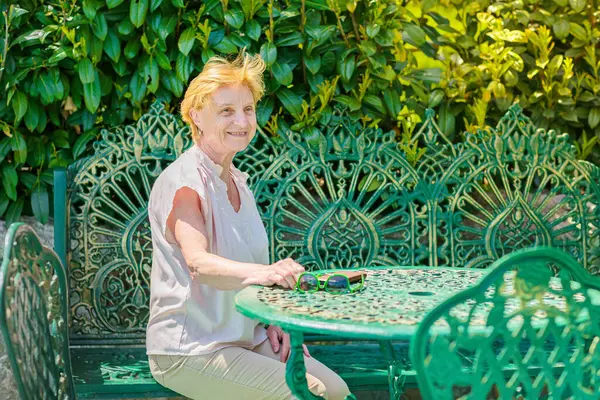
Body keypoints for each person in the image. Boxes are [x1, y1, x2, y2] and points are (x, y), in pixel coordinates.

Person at [146, 51, 351, 400]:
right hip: (190, 349)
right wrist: (267, 272)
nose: (241, 120)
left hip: (244, 336)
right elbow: (200, 264)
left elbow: (241, 272)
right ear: (196, 115)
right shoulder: (185, 182)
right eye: (226, 111)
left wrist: (272, 319)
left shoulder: (237, 182)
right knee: (308, 394)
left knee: (337, 391)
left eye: (248, 109)